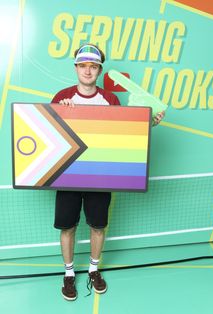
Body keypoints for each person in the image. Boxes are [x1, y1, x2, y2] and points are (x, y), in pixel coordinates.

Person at [51, 43, 165, 301]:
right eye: (83, 66)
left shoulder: (110, 99)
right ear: (76, 68)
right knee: (67, 226)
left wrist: (149, 123)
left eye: (93, 66)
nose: (88, 71)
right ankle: (69, 274)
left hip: (101, 176)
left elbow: (124, 134)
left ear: (99, 70)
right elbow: (48, 133)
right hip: (68, 176)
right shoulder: (61, 97)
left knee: (98, 225)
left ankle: (93, 269)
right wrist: (60, 113)